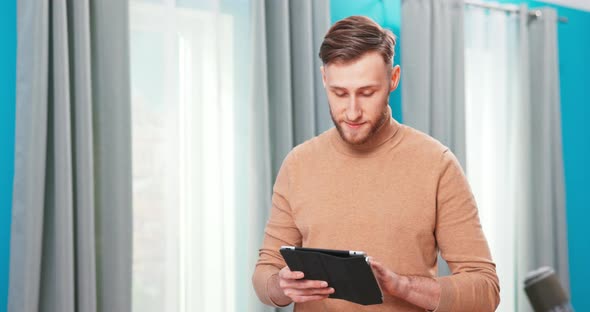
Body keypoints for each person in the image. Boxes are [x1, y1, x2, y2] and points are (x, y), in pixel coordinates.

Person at [252, 15, 500, 312]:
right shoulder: (298, 164)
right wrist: (280, 285)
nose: (353, 111)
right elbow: (265, 272)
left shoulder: (437, 164)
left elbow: (485, 289)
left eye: (367, 93)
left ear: (393, 79)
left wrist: (401, 286)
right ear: (324, 79)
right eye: (339, 93)